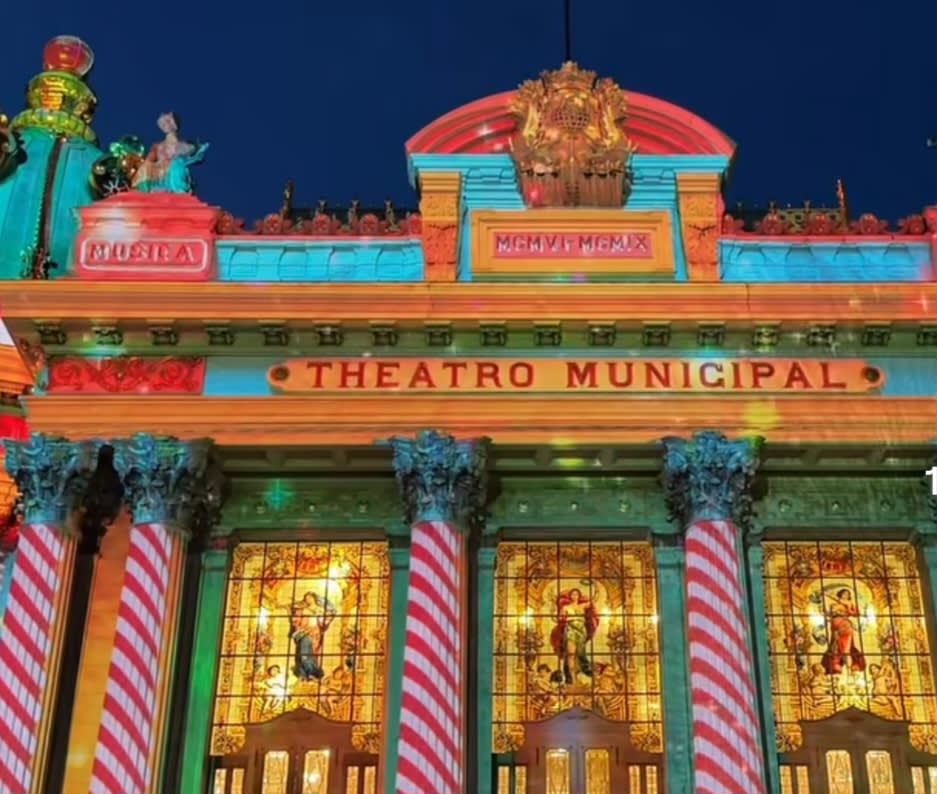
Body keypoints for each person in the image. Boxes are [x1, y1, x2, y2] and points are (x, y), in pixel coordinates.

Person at [132, 112, 208, 193]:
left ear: (175, 125)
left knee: (177, 165)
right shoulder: (157, 146)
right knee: (145, 168)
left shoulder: (185, 145)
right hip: (158, 172)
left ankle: (178, 190)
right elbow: (149, 160)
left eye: (168, 122)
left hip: (174, 169)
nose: (166, 125)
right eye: (163, 124)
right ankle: (146, 192)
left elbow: (195, 156)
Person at [550, 587, 599, 684]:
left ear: (579, 596)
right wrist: (555, 607)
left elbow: (594, 600)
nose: (574, 596)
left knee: (580, 653)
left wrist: (596, 589)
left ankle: (582, 673)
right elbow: (559, 618)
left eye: (576, 594)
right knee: (571, 654)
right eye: (573, 594)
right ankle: (572, 679)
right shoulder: (566, 607)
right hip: (571, 631)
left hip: (581, 631)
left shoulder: (583, 606)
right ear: (570, 596)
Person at [289, 591, 336, 680]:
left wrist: (322, 617)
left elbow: (326, 619)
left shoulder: (320, 609)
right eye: (306, 598)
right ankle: (304, 673)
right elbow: (296, 620)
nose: (308, 600)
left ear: (314, 598)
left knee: (313, 652)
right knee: (302, 652)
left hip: (315, 633)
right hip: (303, 632)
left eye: (309, 597)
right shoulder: (303, 609)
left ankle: (312, 673)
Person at [821, 588, 866, 675]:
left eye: (848, 594)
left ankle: (848, 668)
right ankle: (837, 665)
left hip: (844, 625)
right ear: (840, 594)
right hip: (834, 625)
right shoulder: (833, 604)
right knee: (835, 645)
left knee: (846, 648)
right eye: (844, 593)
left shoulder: (849, 603)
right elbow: (829, 615)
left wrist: (848, 607)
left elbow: (855, 613)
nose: (846, 595)